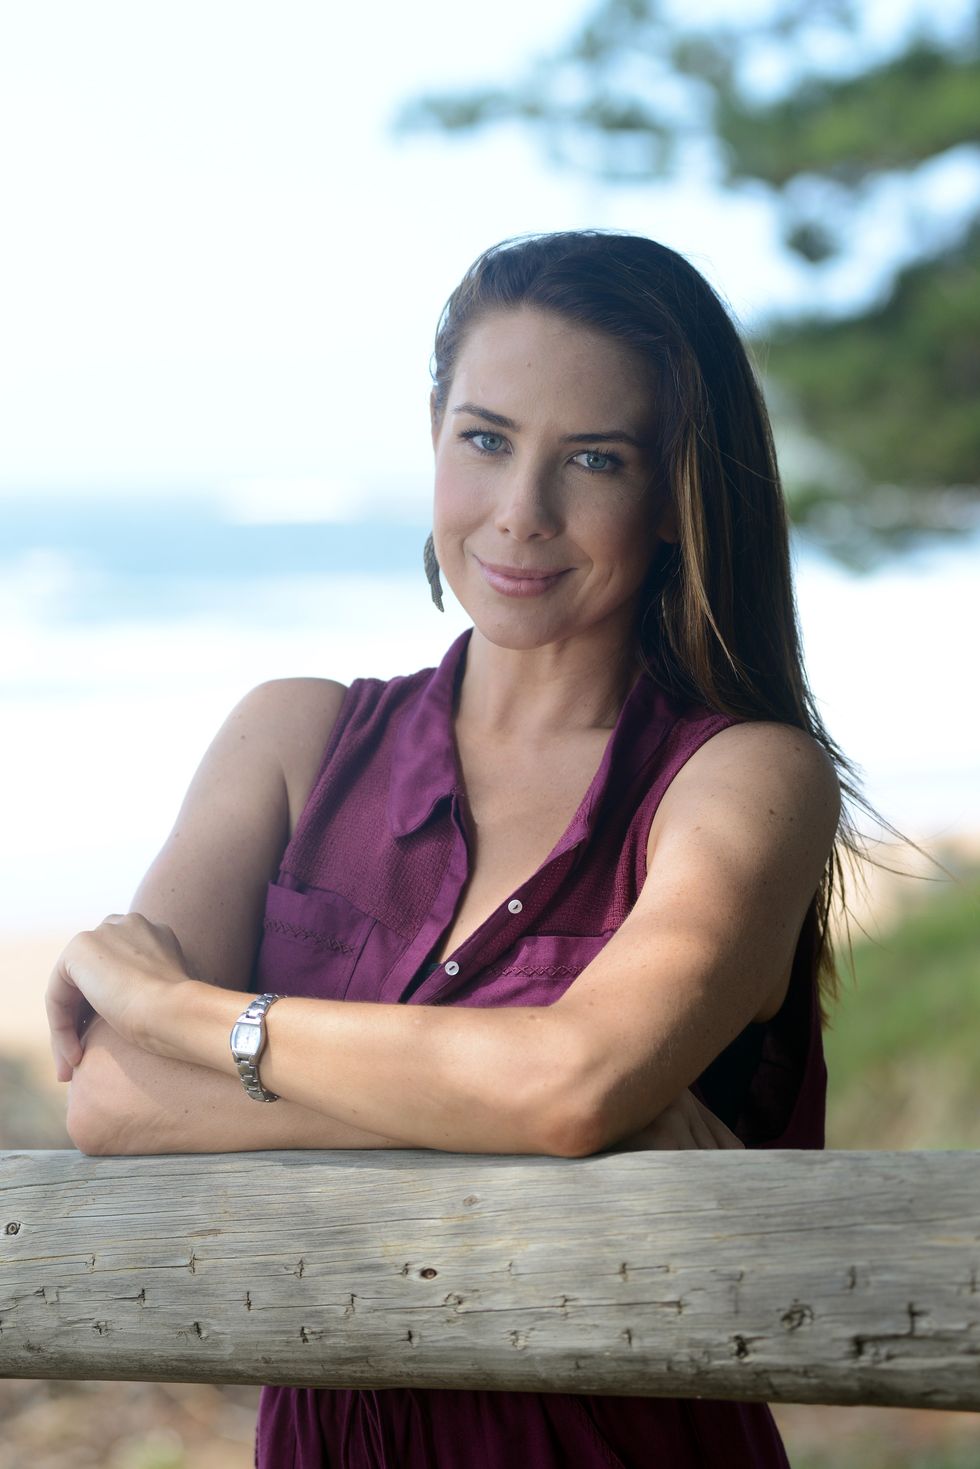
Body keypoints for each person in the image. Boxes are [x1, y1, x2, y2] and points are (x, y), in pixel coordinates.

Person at [48, 229, 852, 1467]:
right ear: (433, 431)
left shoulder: (743, 778)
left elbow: (571, 1081)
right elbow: (109, 1093)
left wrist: (190, 1012)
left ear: (677, 497)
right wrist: (542, 1107)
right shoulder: (292, 735)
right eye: (486, 438)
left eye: (594, 459)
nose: (520, 514)